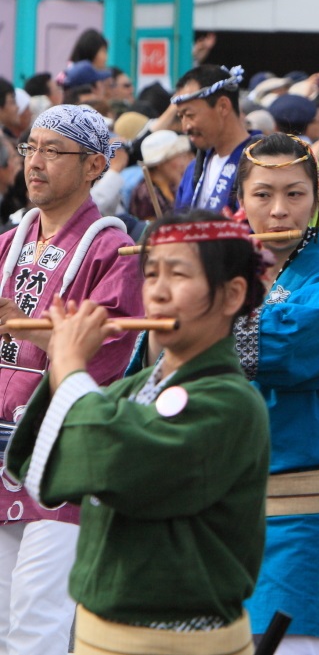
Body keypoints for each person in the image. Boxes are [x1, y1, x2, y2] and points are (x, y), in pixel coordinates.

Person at [5, 210, 270, 655]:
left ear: (232, 294)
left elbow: (113, 462)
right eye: (151, 274)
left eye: (178, 274)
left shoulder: (231, 402)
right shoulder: (131, 389)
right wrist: (64, 369)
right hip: (99, 638)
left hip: (184, 643)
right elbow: (41, 470)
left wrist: (69, 366)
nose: (158, 291)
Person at [0, 104, 144, 654]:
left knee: (37, 625)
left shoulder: (116, 250)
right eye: (30, 148)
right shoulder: (8, 242)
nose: (35, 162)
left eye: (53, 151)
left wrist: (17, 322)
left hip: (65, 458)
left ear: (93, 167)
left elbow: (104, 353)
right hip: (3, 450)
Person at [229, 133, 319, 654]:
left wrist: (201, 323)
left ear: (317, 196)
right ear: (239, 200)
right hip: (218, 515)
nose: (277, 209)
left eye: (294, 193)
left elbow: (294, 348)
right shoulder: (226, 277)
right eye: (262, 194)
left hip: (296, 511)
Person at [173, 64, 258, 213]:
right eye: (181, 117)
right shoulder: (193, 169)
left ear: (223, 106)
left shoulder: (261, 162)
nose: (185, 127)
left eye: (190, 115)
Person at [131, 130, 194, 220]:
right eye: (178, 156)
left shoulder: (173, 185)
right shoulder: (145, 193)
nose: (183, 163)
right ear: (159, 164)